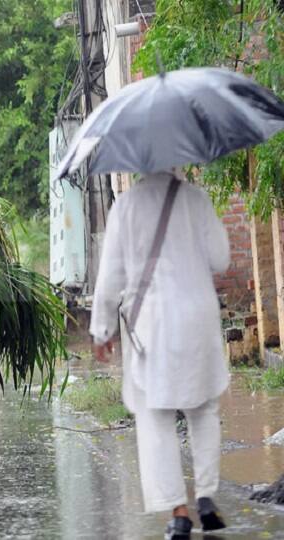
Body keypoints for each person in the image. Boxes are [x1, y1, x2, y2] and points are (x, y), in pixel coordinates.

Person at [90, 172, 230, 539]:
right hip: (198, 317)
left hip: (154, 324)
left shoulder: (126, 207)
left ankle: (179, 513)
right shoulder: (196, 198)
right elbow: (221, 258)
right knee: (203, 409)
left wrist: (102, 330)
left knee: (156, 416)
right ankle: (206, 497)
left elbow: (109, 280)